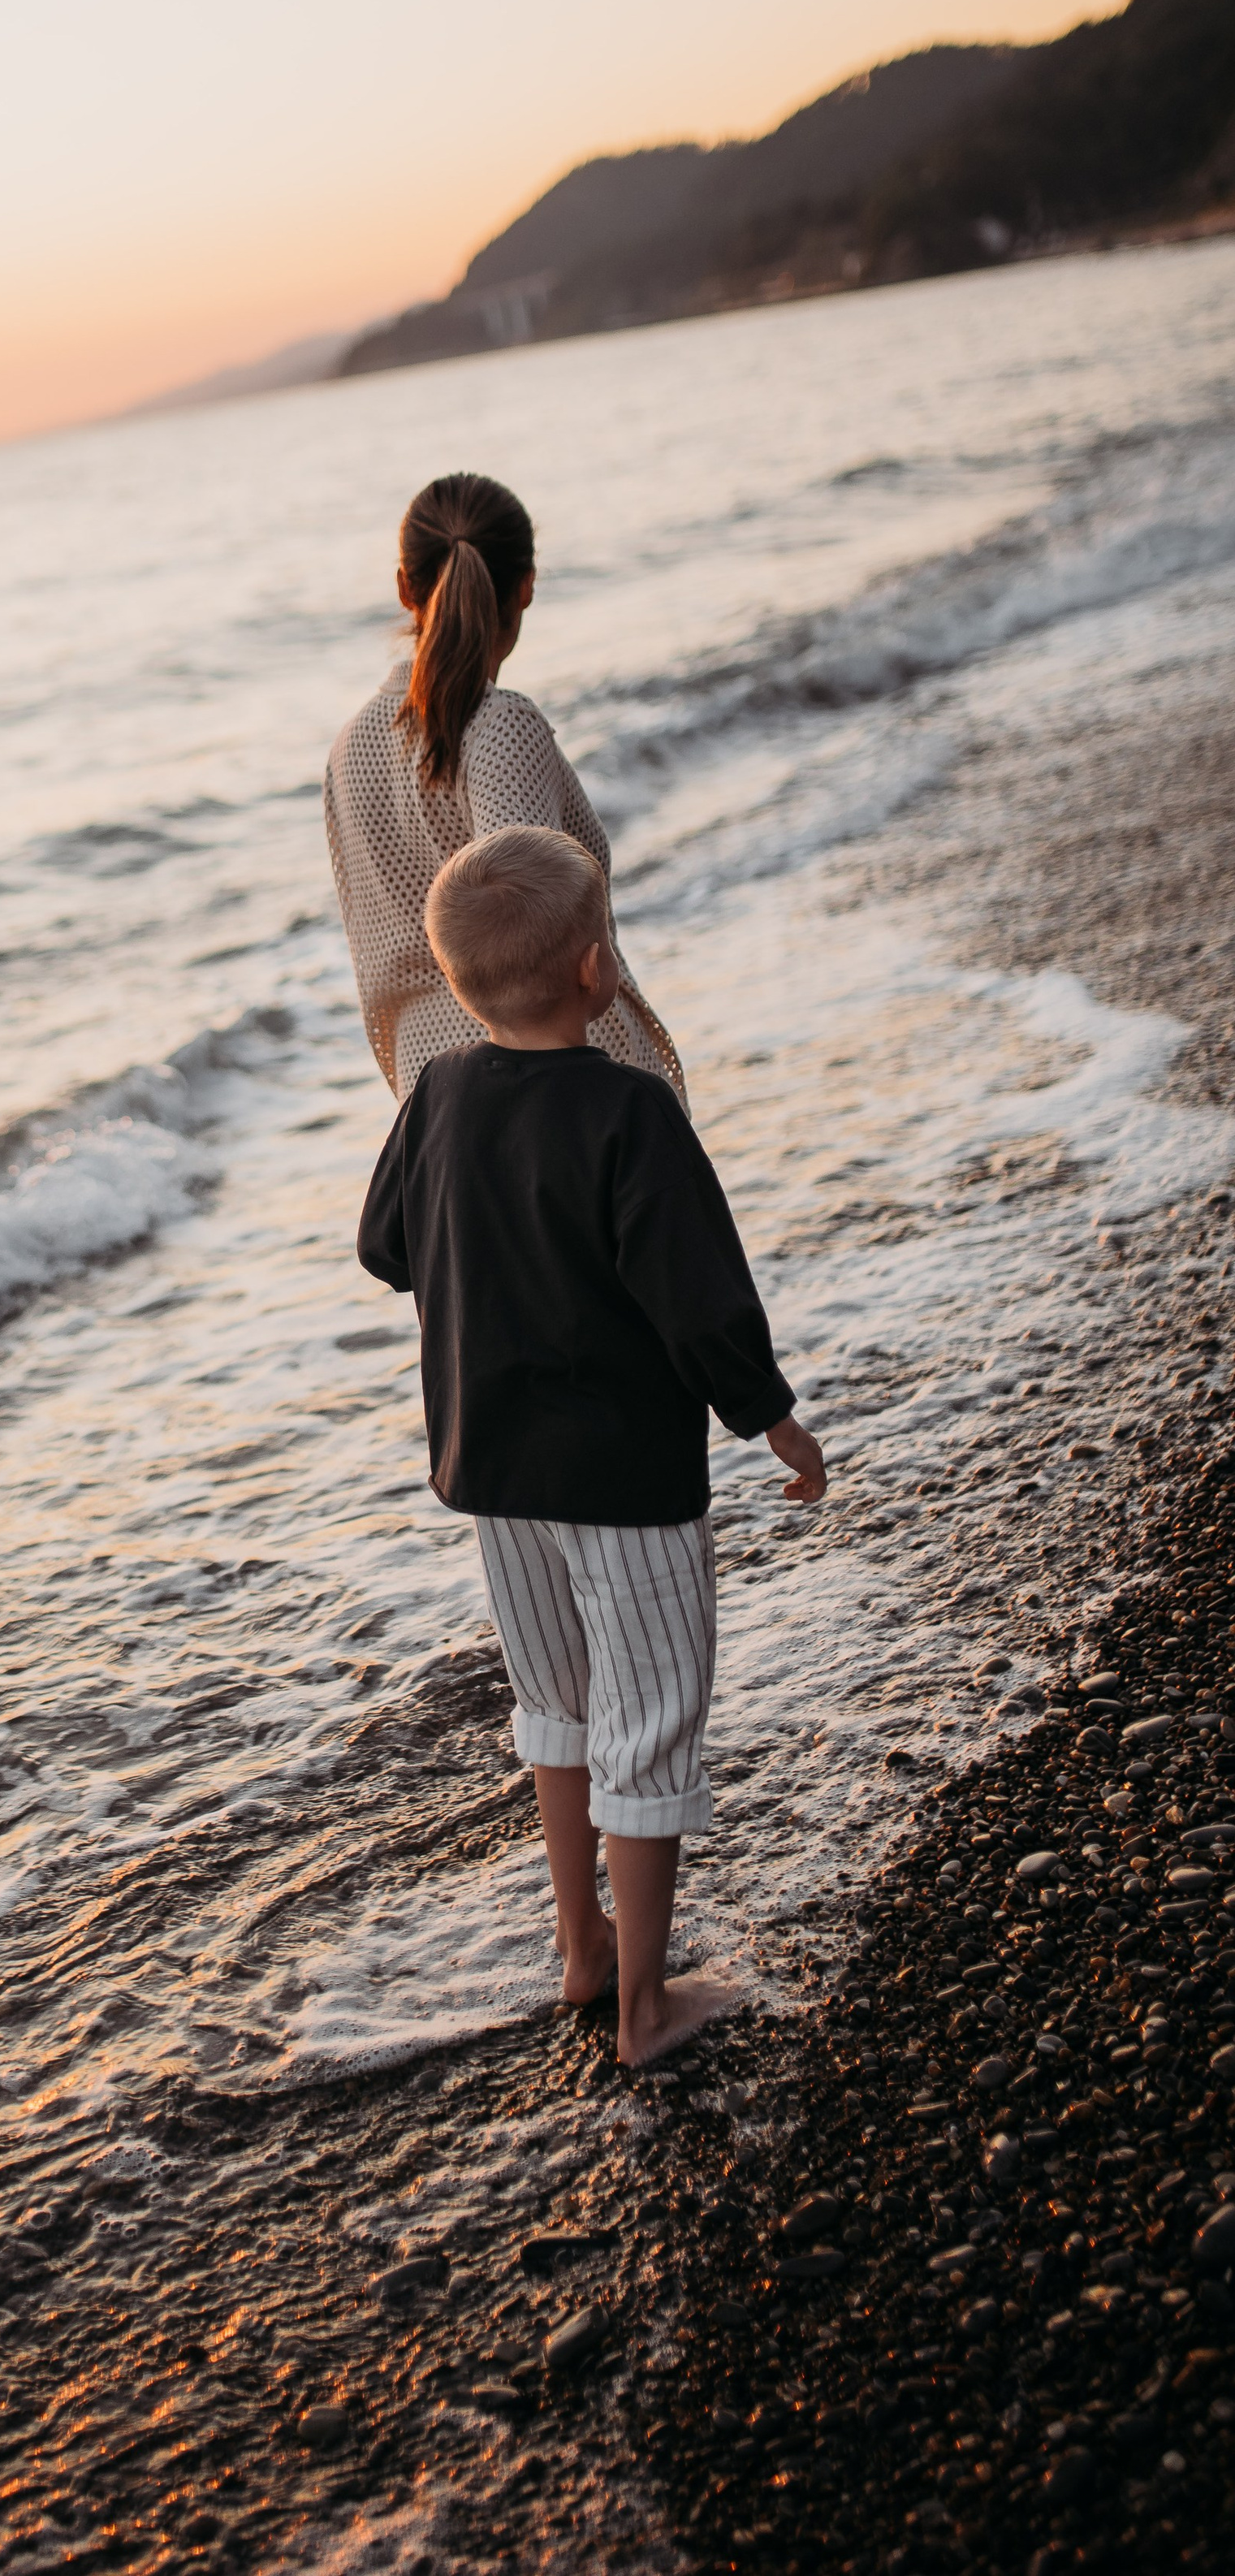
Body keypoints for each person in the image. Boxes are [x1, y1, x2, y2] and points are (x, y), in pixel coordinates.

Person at [356, 823, 826, 2068]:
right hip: (625, 1472)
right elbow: (701, 1298)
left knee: (555, 1699)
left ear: (454, 980)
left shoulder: (436, 1092)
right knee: (652, 1710)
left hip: (497, 1465)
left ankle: (583, 1948)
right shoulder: (633, 1111)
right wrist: (772, 1415)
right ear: (596, 970)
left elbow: (387, 1247)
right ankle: (645, 2011)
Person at [325, 470, 684, 1106]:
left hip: (436, 1103)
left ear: (405, 587)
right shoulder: (501, 727)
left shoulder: (347, 751)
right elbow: (530, 945)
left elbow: (377, 972)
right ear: (526, 587)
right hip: (552, 1096)